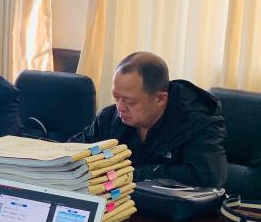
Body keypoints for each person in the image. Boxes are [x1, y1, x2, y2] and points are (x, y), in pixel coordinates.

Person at [71, 51, 227, 186]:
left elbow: (207, 177)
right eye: (116, 97)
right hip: (119, 205)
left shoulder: (197, 122)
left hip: (172, 208)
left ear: (160, 99)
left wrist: (127, 174)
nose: (120, 107)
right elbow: (72, 152)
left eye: (130, 101)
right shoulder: (109, 117)